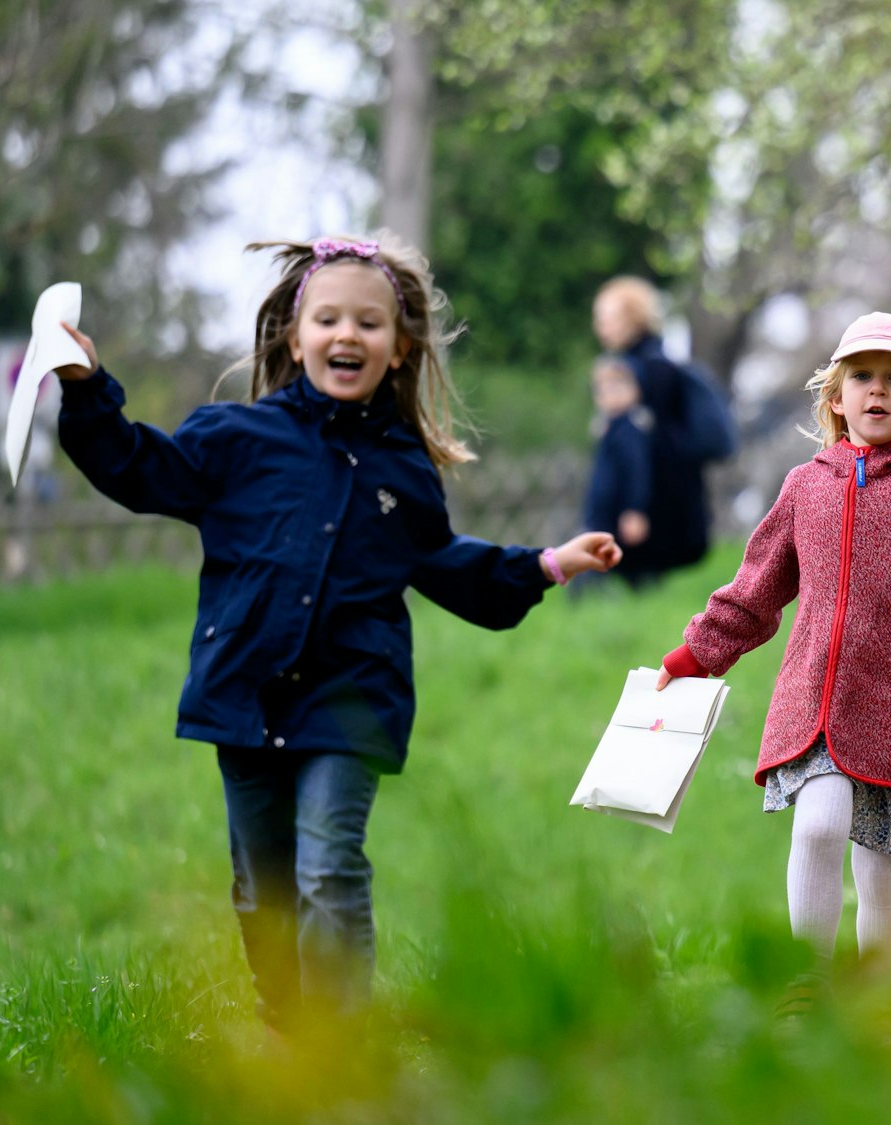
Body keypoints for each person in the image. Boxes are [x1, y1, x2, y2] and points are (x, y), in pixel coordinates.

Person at [50, 236, 621, 1032]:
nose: (347, 335)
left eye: (368, 323)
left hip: (350, 700)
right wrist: (86, 388)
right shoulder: (234, 440)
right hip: (243, 694)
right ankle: (291, 1030)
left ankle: (343, 1039)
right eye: (328, 319)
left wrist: (549, 563)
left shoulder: (405, 469)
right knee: (264, 887)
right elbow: (137, 467)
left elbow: (448, 565)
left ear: (400, 349)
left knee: (329, 865)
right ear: (295, 335)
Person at [654, 312, 891, 1011]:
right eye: (862, 376)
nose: (877, 390)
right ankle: (807, 985)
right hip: (817, 706)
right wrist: (696, 654)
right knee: (821, 823)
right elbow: (756, 589)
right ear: (835, 395)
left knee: (884, 869)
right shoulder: (806, 484)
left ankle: (879, 991)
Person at [591, 277, 735, 585]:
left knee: (645, 578)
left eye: (607, 318)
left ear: (633, 318)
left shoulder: (643, 369)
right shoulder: (656, 362)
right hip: (668, 494)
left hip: (653, 501)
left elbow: (646, 444)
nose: (600, 327)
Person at [583, 354, 655, 576]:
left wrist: (634, 508)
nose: (610, 394)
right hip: (602, 506)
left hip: (620, 507)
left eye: (617, 387)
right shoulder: (608, 429)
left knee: (621, 557)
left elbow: (637, 471)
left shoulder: (631, 430)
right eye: (603, 389)